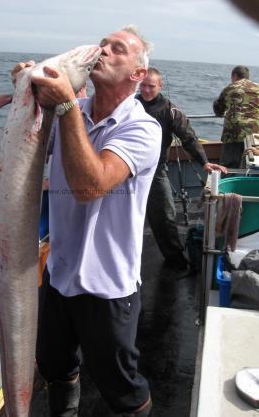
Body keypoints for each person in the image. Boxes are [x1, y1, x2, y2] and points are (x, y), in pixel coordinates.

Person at [12, 27, 161, 416]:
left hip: (108, 286)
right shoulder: (70, 113)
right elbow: (32, 134)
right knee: (54, 366)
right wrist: (26, 89)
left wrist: (63, 108)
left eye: (118, 49)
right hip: (60, 276)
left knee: (121, 387)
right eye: (103, 43)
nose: (103, 50)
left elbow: (90, 185)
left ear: (137, 75)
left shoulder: (143, 128)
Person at [136, 67, 226, 277]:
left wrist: (204, 162)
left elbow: (188, 138)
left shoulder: (170, 111)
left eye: (151, 86)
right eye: (143, 85)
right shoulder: (129, 105)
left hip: (154, 170)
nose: (147, 90)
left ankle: (176, 261)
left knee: (165, 215)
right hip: (124, 170)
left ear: (160, 86)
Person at [213, 65, 259, 168]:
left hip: (233, 133)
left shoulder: (230, 88)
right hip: (254, 134)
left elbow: (218, 108)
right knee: (251, 166)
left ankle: (229, 181)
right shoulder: (257, 87)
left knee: (228, 167)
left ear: (234, 76)